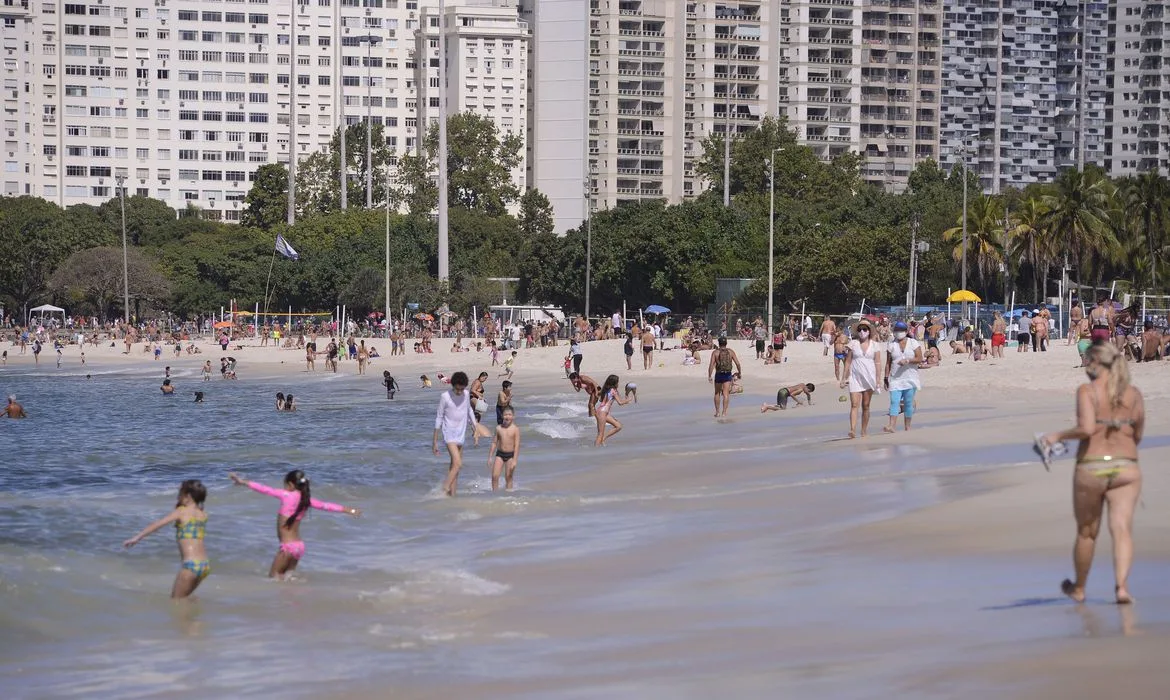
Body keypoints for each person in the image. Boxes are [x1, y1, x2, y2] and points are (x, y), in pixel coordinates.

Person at [1039, 343, 1144, 605]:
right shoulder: (1133, 393)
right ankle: (1121, 588)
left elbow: (1086, 429)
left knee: (1087, 532)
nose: (1085, 366)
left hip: (1092, 466)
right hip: (1126, 466)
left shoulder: (1087, 391)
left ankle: (1079, 588)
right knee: (1122, 530)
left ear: (1097, 363)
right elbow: (1138, 434)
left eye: (1087, 362)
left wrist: (1057, 435)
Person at [229, 471, 360, 579]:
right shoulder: (306, 501)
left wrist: (242, 482)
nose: (284, 487)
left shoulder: (286, 495)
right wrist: (350, 510)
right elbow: (326, 506)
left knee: (273, 579)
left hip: (287, 548)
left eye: (285, 485)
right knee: (287, 579)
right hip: (299, 547)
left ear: (291, 485)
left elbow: (265, 489)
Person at [122, 479, 211, 599]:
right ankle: (196, 617)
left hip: (190, 565)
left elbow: (157, 524)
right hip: (204, 565)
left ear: (188, 496)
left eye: (180, 493)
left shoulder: (181, 512)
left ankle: (191, 617)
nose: (177, 496)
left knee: (176, 602)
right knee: (185, 599)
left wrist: (136, 538)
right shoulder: (202, 514)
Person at [432, 371, 490, 496]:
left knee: (454, 466)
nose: (460, 390)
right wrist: (435, 441)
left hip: (460, 435)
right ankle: (444, 489)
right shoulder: (445, 397)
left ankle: (452, 494)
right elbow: (438, 418)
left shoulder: (465, 395)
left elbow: (470, 413)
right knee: (458, 463)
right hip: (449, 434)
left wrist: (475, 433)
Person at [840, 320, 882, 439]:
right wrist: (844, 378)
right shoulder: (853, 344)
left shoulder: (875, 345)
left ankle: (864, 430)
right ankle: (852, 430)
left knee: (866, 405)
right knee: (854, 404)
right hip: (855, 377)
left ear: (869, 331)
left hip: (869, 377)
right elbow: (848, 362)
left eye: (865, 329)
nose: (862, 332)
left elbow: (878, 363)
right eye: (860, 330)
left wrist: (878, 379)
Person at [884, 321, 923, 433]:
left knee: (908, 402)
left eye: (901, 330)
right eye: (896, 330)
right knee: (894, 401)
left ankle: (907, 427)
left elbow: (919, 358)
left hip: (910, 378)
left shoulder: (913, 343)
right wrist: (885, 378)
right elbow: (888, 362)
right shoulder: (891, 345)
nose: (898, 333)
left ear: (906, 331)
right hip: (895, 378)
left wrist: (908, 360)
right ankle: (891, 425)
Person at [487, 406, 521, 491]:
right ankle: (495, 494)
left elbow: (517, 446)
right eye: (505, 414)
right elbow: (494, 443)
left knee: (508, 477)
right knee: (494, 476)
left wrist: (515, 460)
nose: (507, 416)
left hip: (510, 456)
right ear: (502, 416)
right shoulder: (498, 428)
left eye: (509, 414)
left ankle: (509, 494)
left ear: (513, 416)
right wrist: (490, 457)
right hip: (500, 455)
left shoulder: (515, 429)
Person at [707, 337, 742, 418]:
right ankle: (724, 413)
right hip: (727, 374)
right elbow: (738, 363)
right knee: (726, 394)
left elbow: (711, 365)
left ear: (719, 343)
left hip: (719, 374)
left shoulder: (715, 353)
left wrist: (709, 375)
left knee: (717, 393)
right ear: (726, 343)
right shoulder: (731, 352)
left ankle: (717, 412)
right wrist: (739, 372)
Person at [594, 374, 631, 447]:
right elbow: (620, 403)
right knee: (600, 433)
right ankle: (595, 451)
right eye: (618, 382)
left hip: (603, 412)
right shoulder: (613, 391)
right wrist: (628, 400)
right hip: (602, 412)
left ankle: (603, 438)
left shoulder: (607, 389)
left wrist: (626, 399)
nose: (618, 383)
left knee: (618, 426)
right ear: (614, 383)